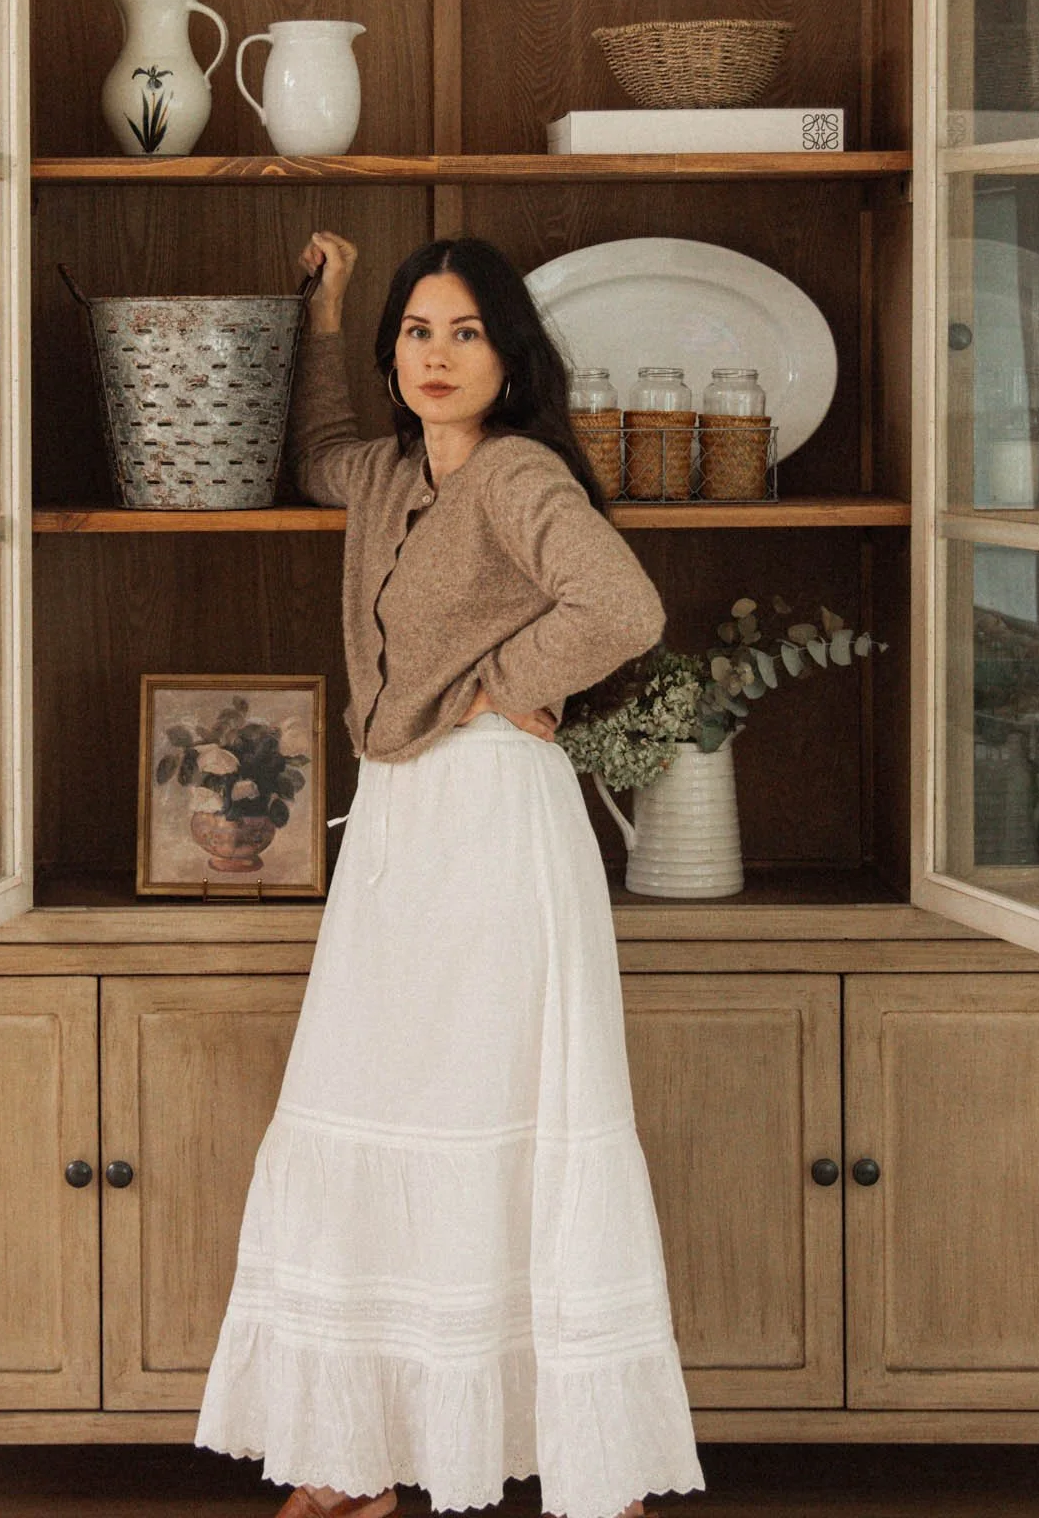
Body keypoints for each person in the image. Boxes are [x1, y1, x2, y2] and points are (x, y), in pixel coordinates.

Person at [193, 231, 706, 1518]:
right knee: (376, 1096)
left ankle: (589, 1461)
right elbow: (313, 448)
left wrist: (500, 686)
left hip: (491, 815)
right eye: (417, 332)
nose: (437, 353)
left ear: (509, 352)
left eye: (465, 330)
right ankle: (359, 1453)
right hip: (405, 824)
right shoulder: (381, 474)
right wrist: (327, 308)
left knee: (498, 1110)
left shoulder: (521, 474)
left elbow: (624, 608)